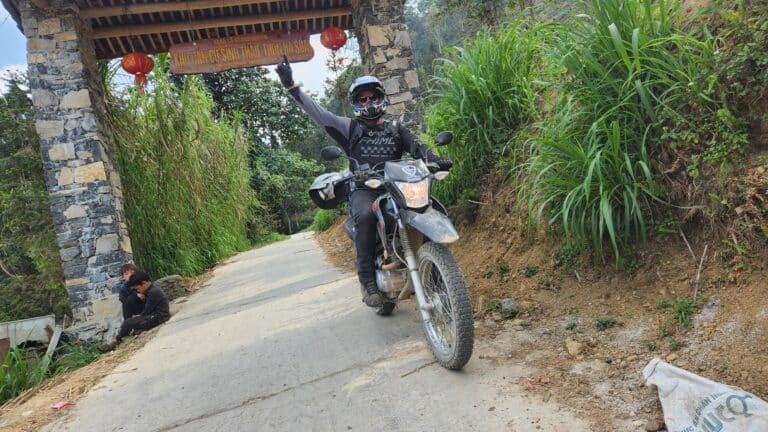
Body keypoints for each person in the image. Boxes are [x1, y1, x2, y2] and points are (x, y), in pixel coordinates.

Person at [276, 56, 452, 308]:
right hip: (364, 189)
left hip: (398, 186)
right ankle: (368, 281)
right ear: (356, 104)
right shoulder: (349, 128)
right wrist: (291, 86)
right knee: (366, 217)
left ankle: (439, 276)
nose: (368, 103)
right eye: (362, 99)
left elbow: (418, 146)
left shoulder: (395, 127)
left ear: (381, 98)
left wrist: (435, 159)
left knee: (427, 206)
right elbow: (319, 114)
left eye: (372, 97)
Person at [100, 271, 171, 352]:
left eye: (138, 288)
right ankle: (122, 336)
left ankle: (115, 341)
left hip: (159, 317)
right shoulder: (150, 290)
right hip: (154, 315)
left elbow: (147, 310)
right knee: (130, 312)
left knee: (128, 323)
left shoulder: (153, 292)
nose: (138, 291)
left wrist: (139, 317)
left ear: (144, 283)